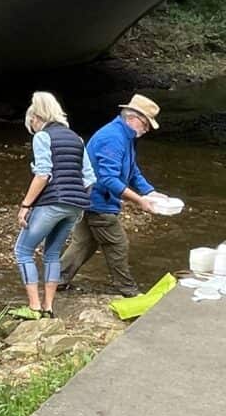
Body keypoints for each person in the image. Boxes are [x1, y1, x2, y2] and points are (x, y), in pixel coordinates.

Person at [60, 95, 166, 297]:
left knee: (84, 242)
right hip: (97, 201)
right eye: (146, 125)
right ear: (133, 118)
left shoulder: (124, 136)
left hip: (86, 198)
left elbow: (132, 170)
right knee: (117, 244)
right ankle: (127, 289)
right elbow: (109, 179)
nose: (147, 130)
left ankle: (57, 280)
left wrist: (150, 191)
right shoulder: (113, 138)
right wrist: (140, 200)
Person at [12, 92, 95, 319]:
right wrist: (76, 198)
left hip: (52, 202)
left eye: (31, 124)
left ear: (36, 117)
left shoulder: (43, 137)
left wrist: (26, 205)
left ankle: (34, 308)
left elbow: (43, 175)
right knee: (52, 255)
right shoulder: (77, 139)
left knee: (22, 251)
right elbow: (89, 178)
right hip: (76, 206)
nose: (32, 129)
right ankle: (49, 307)